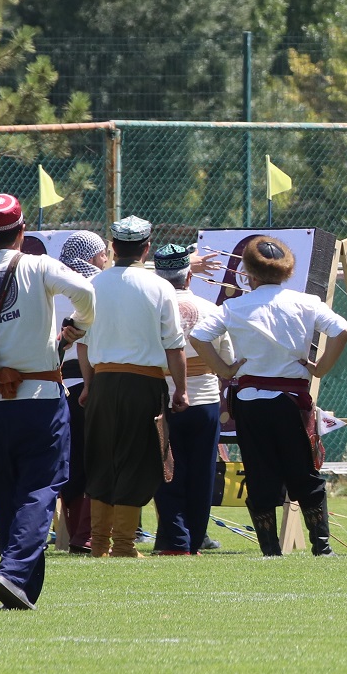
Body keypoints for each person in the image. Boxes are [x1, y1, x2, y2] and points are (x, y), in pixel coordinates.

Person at [190, 236, 347, 557]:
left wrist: (224, 369)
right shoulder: (307, 302)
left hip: (251, 403)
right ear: (287, 270)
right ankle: (322, 547)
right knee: (305, 472)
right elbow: (341, 330)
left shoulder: (233, 307)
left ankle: (270, 550)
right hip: (293, 402)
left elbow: (199, 336)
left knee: (259, 472)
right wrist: (320, 368)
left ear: (249, 273)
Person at [0, 195, 95, 608]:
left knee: (3, 491)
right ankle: (13, 572)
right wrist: (76, 328)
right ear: (21, 230)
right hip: (39, 397)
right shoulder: (38, 265)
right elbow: (84, 290)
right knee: (39, 487)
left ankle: (19, 587)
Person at [77, 217, 188, 558]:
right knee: (138, 459)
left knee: (100, 457)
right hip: (145, 383)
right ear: (147, 248)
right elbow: (174, 346)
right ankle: (124, 544)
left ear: (113, 247)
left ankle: (99, 543)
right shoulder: (160, 287)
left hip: (103, 381)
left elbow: (82, 342)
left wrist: (88, 385)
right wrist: (181, 389)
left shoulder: (93, 284)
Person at [152, 243, 230, 555]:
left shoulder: (150, 309)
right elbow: (227, 359)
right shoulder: (211, 309)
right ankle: (195, 540)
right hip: (205, 398)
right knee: (202, 472)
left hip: (162, 396)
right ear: (189, 276)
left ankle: (175, 540)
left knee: (167, 469)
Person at [55, 231, 109, 553]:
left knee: (71, 461)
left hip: (55, 385)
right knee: (97, 458)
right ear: (90, 257)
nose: (106, 260)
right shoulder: (93, 288)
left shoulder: (51, 286)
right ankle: (86, 534)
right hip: (89, 383)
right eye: (102, 254)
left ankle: (75, 532)